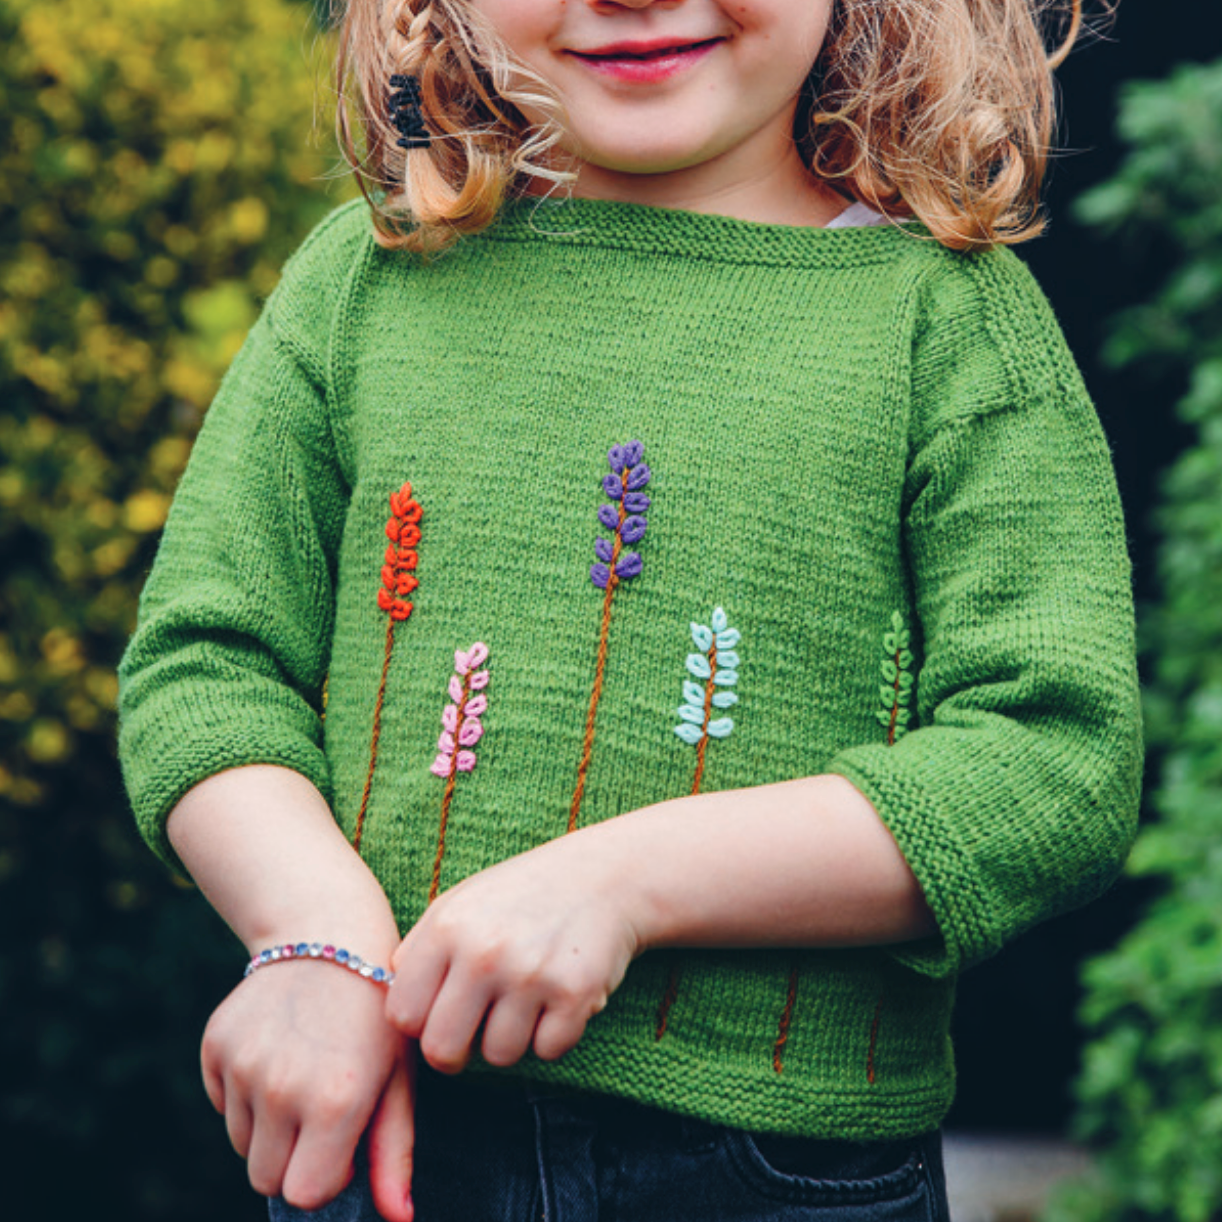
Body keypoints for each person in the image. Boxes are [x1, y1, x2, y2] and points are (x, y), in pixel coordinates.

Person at [117, 1, 1143, 1219]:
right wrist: (315, 933)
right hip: (384, 1139)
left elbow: (1055, 757)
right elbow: (203, 664)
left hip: (775, 1172)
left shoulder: (949, 324)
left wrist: (623, 884)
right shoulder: (364, 282)